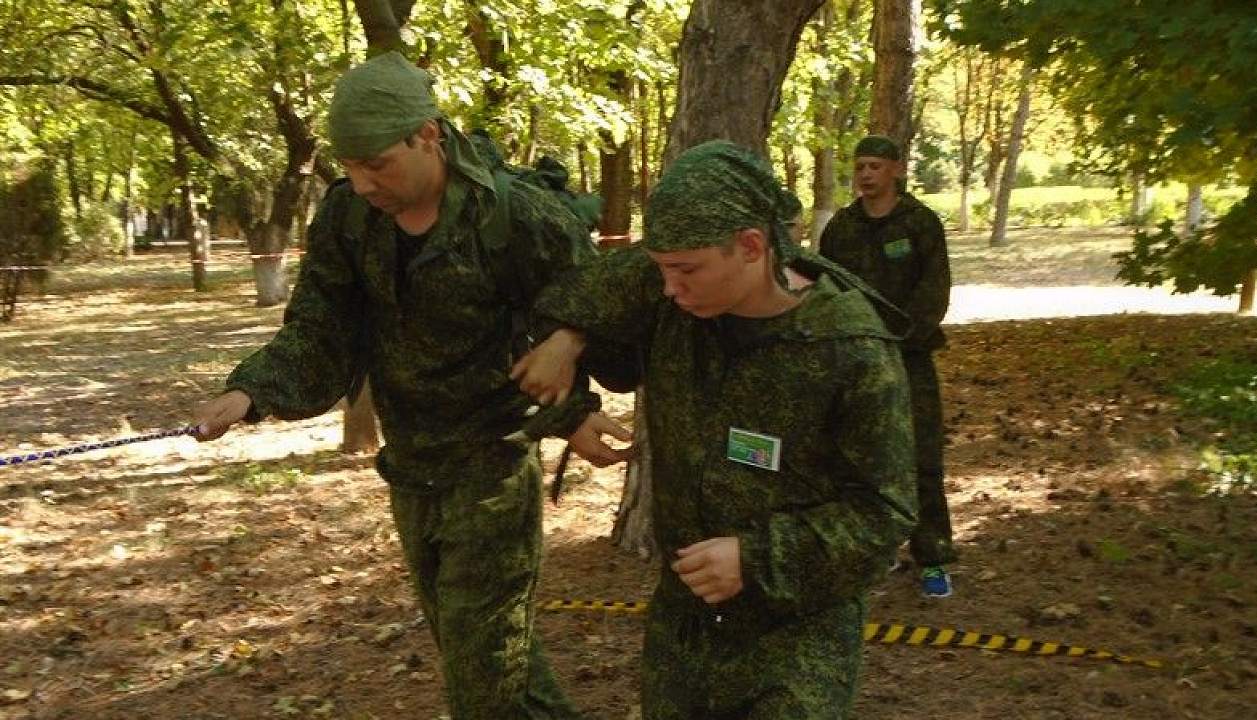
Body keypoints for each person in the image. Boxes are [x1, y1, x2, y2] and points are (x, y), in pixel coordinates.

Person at [190, 52, 628, 719]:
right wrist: (252, 393)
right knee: (478, 647)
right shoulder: (348, 219)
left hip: (493, 462)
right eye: (351, 168)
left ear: (427, 136)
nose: (364, 184)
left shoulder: (515, 215)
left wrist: (572, 380)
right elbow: (321, 327)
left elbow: (598, 293)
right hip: (411, 466)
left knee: (482, 678)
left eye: (378, 165)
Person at [513, 140, 918, 719]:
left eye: (685, 271)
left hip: (798, 633)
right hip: (686, 629)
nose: (669, 288)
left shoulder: (850, 348)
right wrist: (569, 370)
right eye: (661, 270)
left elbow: (884, 513)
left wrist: (756, 559)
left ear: (752, 246)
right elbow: (568, 299)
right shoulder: (675, 283)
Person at [818, 134, 956, 598]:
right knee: (856, 458)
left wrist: (899, 339)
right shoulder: (841, 228)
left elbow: (934, 291)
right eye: (860, 167)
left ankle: (933, 556)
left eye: (876, 166)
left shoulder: (920, 223)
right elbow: (827, 289)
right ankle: (875, 553)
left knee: (922, 457)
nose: (866, 175)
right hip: (856, 361)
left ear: (896, 169)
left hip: (910, 358)